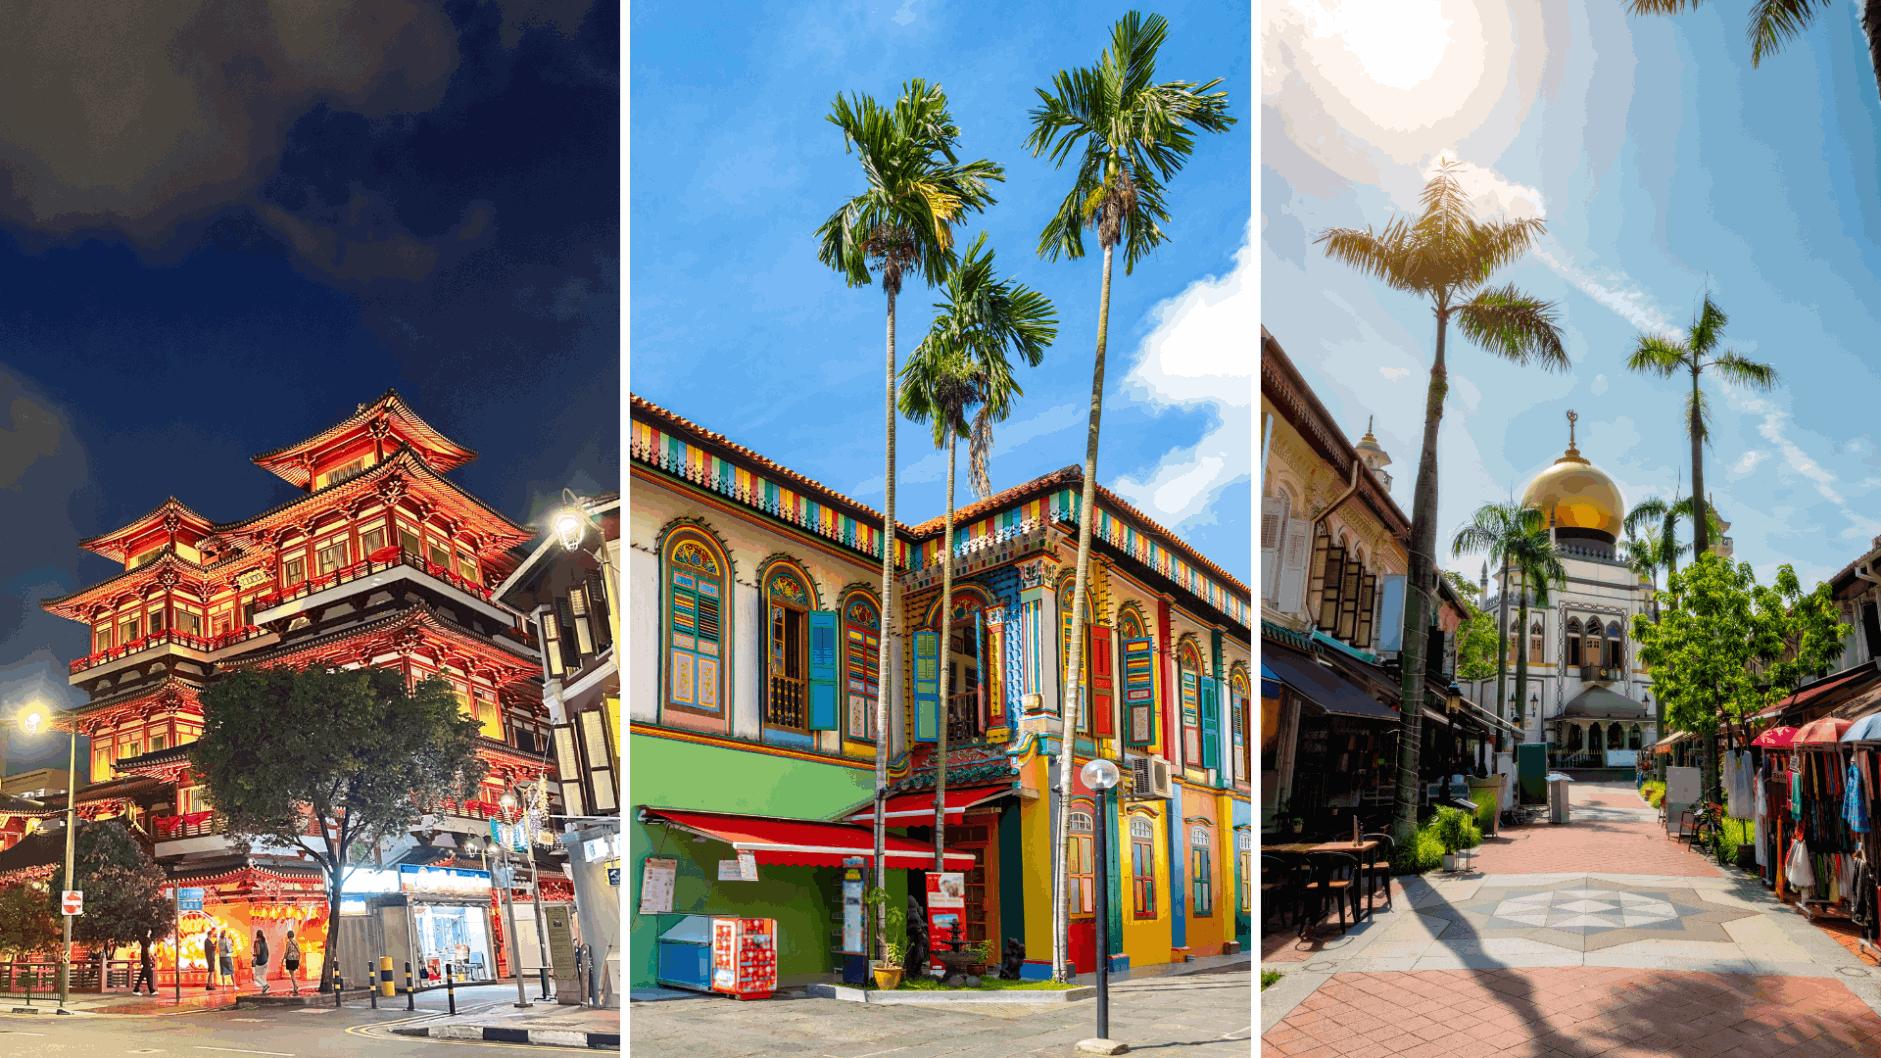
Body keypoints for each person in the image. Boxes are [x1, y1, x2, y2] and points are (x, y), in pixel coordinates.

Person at [282, 930, 302, 996]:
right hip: (296, 959)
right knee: (293, 973)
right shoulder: (296, 942)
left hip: (290, 959)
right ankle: (295, 986)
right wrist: (298, 958)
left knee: (292, 974)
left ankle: (295, 986)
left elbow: (286, 952)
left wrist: (283, 958)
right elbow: (299, 951)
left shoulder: (288, 942)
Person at [252, 929, 270, 994]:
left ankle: (265, 985)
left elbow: (258, 952)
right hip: (265, 961)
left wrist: (254, 954)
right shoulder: (264, 942)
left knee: (256, 977)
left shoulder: (257, 942)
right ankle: (264, 990)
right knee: (263, 976)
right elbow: (267, 951)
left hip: (260, 961)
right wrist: (267, 959)